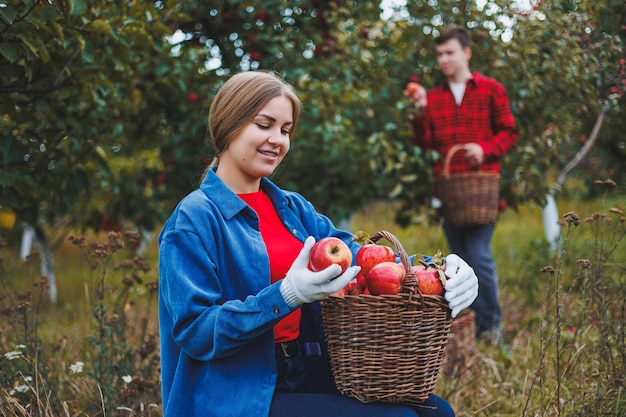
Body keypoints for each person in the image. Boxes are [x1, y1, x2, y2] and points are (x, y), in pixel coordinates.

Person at [158, 70, 479, 417]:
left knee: (436, 412)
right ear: (228, 124)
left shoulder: (292, 208)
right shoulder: (194, 220)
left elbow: (364, 261)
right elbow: (196, 332)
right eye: (263, 125)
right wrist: (283, 297)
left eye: (285, 130)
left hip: (308, 368)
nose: (277, 140)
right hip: (237, 390)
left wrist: (440, 268)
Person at [404, 26, 519, 344]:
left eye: (449, 52)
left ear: (466, 53)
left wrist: (485, 149)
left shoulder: (490, 90)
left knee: (479, 255)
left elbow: (509, 131)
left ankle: (490, 326)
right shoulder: (435, 97)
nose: (443, 59)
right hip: (450, 191)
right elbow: (423, 143)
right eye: (439, 54)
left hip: (480, 191)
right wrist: (417, 111)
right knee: (457, 259)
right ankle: (463, 325)